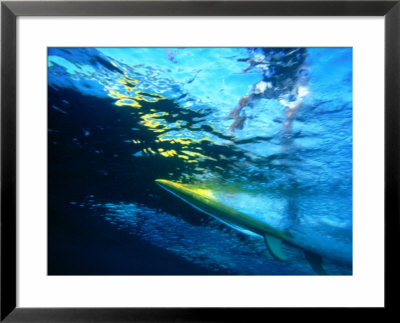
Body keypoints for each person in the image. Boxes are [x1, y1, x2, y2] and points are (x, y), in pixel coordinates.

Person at [228, 48, 310, 133]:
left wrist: (249, 66)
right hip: (285, 85)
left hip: (270, 80)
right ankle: (287, 128)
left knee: (254, 91)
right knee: (292, 106)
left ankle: (240, 112)